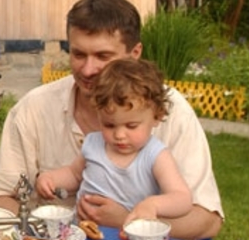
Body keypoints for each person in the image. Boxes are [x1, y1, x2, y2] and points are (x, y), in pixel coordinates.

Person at [0, 0, 223, 240]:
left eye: (103, 57)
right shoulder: (33, 109)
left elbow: (208, 221)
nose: (88, 70)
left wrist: (126, 220)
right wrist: (39, 231)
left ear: (134, 53)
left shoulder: (170, 110)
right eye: (78, 54)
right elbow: (1, 198)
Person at [35, 58, 193, 224]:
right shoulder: (94, 144)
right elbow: (74, 174)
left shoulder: (155, 156)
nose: (119, 135)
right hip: (82, 234)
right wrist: (50, 179)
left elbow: (182, 198)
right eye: (109, 125)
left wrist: (152, 205)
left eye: (131, 126)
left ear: (157, 116)